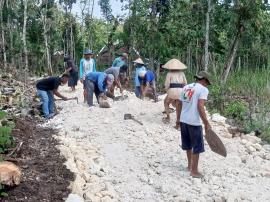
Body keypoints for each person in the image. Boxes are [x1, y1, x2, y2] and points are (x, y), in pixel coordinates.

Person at [179, 71, 211, 178]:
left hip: (183, 120)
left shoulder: (186, 87)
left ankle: (189, 165)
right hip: (194, 122)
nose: (207, 85)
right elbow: (200, 106)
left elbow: (179, 103)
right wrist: (206, 123)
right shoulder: (203, 89)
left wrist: (178, 119)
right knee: (197, 146)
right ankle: (194, 171)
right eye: (207, 82)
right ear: (204, 80)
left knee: (188, 145)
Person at [162, 59, 187, 128]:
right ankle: (178, 123)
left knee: (166, 102)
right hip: (181, 91)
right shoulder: (182, 73)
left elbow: (167, 84)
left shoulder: (169, 73)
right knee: (179, 106)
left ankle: (168, 117)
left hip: (172, 90)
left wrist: (166, 90)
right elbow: (185, 83)